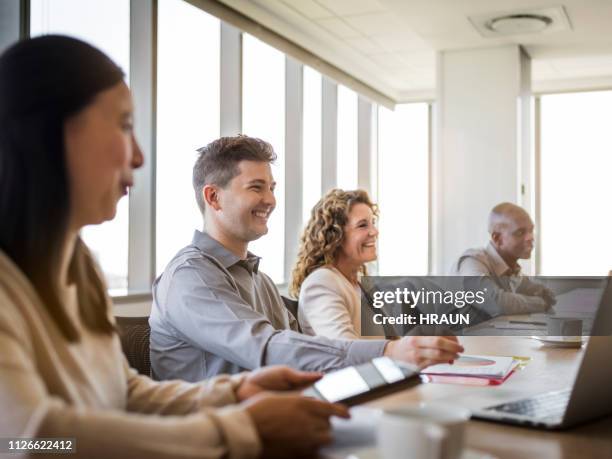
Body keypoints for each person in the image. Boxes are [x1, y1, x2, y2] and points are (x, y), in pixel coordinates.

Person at [0, 35, 350, 459]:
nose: (139, 157)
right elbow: (28, 440)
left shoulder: (78, 266)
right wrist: (235, 428)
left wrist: (234, 392)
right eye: (124, 126)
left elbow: (120, 391)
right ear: (52, 133)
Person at [149, 135, 463, 382]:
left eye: (271, 188)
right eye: (256, 188)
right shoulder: (190, 276)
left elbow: (306, 353)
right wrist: (389, 352)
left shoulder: (261, 281)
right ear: (213, 197)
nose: (270, 200)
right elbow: (267, 348)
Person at [289, 188, 383, 339]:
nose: (375, 232)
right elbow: (346, 350)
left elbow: (392, 342)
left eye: (372, 223)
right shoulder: (321, 283)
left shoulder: (362, 284)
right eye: (362, 225)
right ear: (335, 236)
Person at [450, 202, 555, 315]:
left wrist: (545, 295)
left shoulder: (512, 270)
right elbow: (494, 302)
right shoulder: (472, 262)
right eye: (520, 232)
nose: (530, 237)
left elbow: (545, 295)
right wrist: (541, 303)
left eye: (531, 230)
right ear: (497, 238)